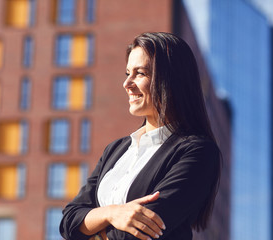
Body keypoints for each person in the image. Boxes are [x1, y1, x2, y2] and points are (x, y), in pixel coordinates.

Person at [59, 32, 221, 240]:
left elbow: (140, 233)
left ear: (171, 80)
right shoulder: (116, 150)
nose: (127, 83)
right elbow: (68, 221)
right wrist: (113, 213)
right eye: (128, 72)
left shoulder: (198, 152)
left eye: (140, 73)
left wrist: (91, 226)